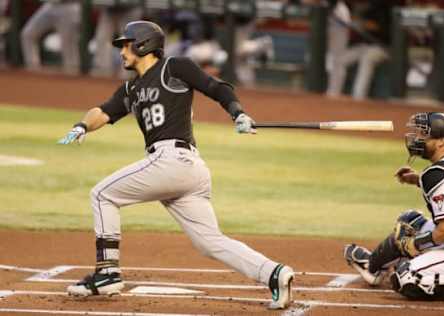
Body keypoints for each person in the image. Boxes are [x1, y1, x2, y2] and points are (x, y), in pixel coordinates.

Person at [57, 20, 294, 310]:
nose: (122, 51)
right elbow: (104, 112)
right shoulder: (130, 89)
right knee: (209, 242)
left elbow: (216, 87)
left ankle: (107, 273)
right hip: (182, 169)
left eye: (126, 44)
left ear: (143, 44)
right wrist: (81, 126)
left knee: (102, 194)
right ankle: (274, 273)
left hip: (174, 161)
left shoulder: (174, 67)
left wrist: (238, 114)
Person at [344, 112, 444, 300]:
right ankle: (372, 267)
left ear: (441, 141)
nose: (417, 139)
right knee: (410, 223)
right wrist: (418, 179)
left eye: (424, 135)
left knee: (407, 276)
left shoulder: (439, 175)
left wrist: (415, 244)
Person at [21, 0, 81, 74]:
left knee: (68, 47)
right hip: (50, 5)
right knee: (28, 34)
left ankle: (73, 76)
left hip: (69, 7)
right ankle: (33, 69)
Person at [90, 2, 143, 77]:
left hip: (130, 8)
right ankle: (102, 70)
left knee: (129, 40)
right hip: (109, 7)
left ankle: (128, 72)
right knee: (102, 38)